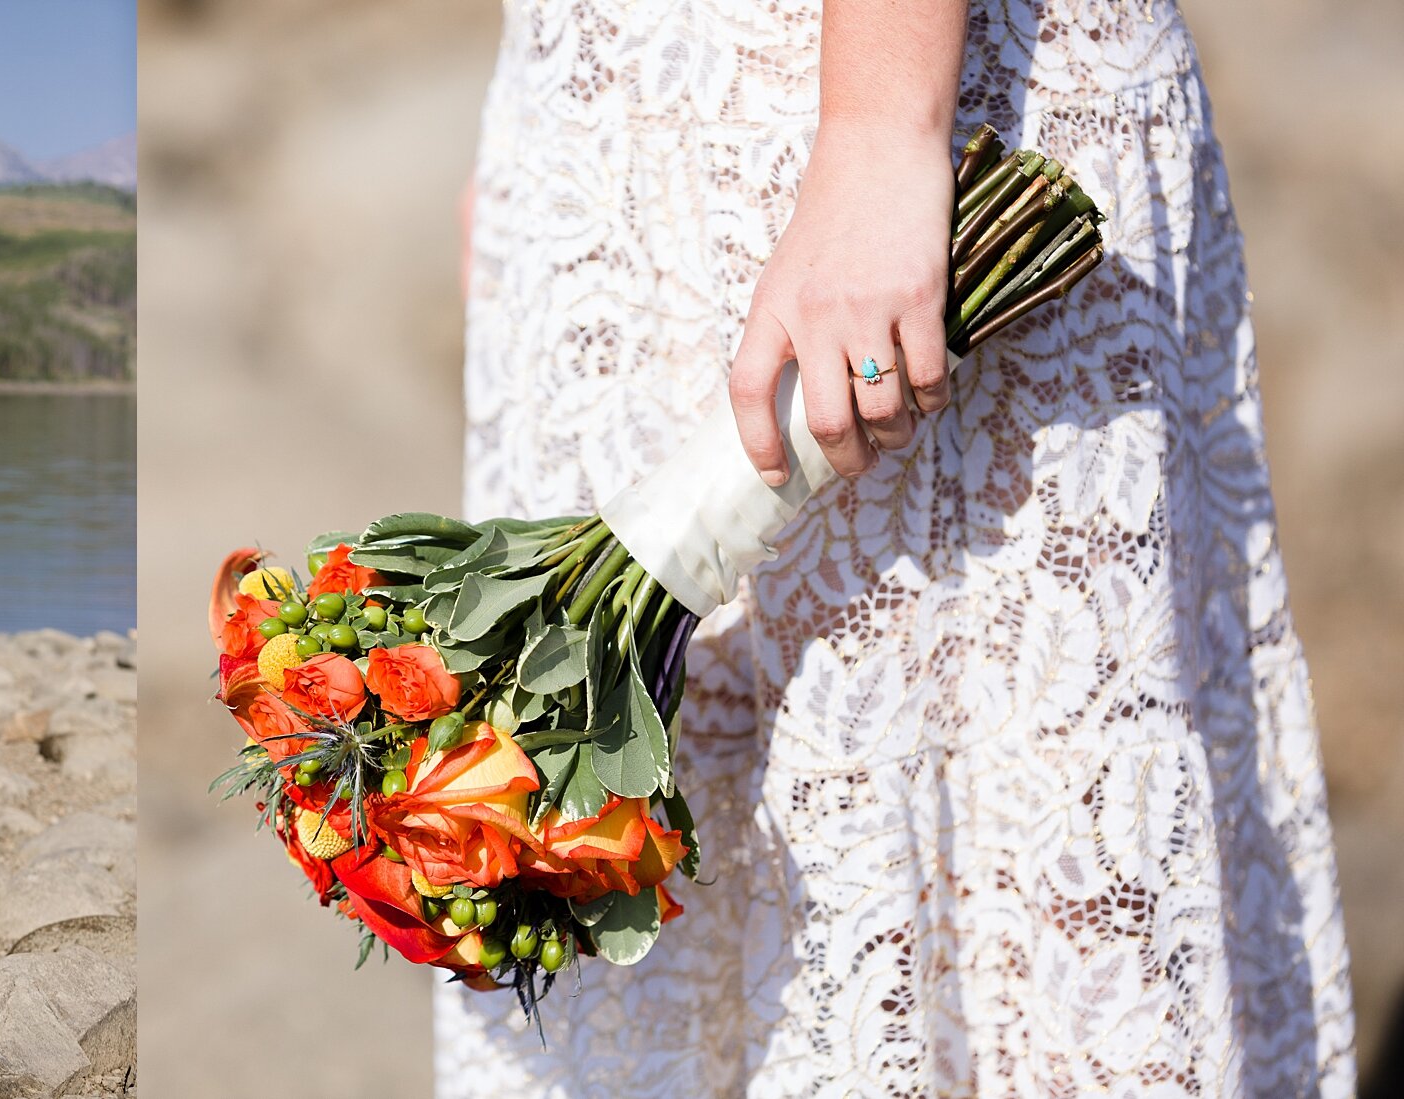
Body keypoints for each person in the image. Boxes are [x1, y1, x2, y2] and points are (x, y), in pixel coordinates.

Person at [439, 0, 1355, 1094]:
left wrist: (878, 126)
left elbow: (878, 126)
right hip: (631, 112)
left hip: (863, 114)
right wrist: (564, 83)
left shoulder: (875, 135)